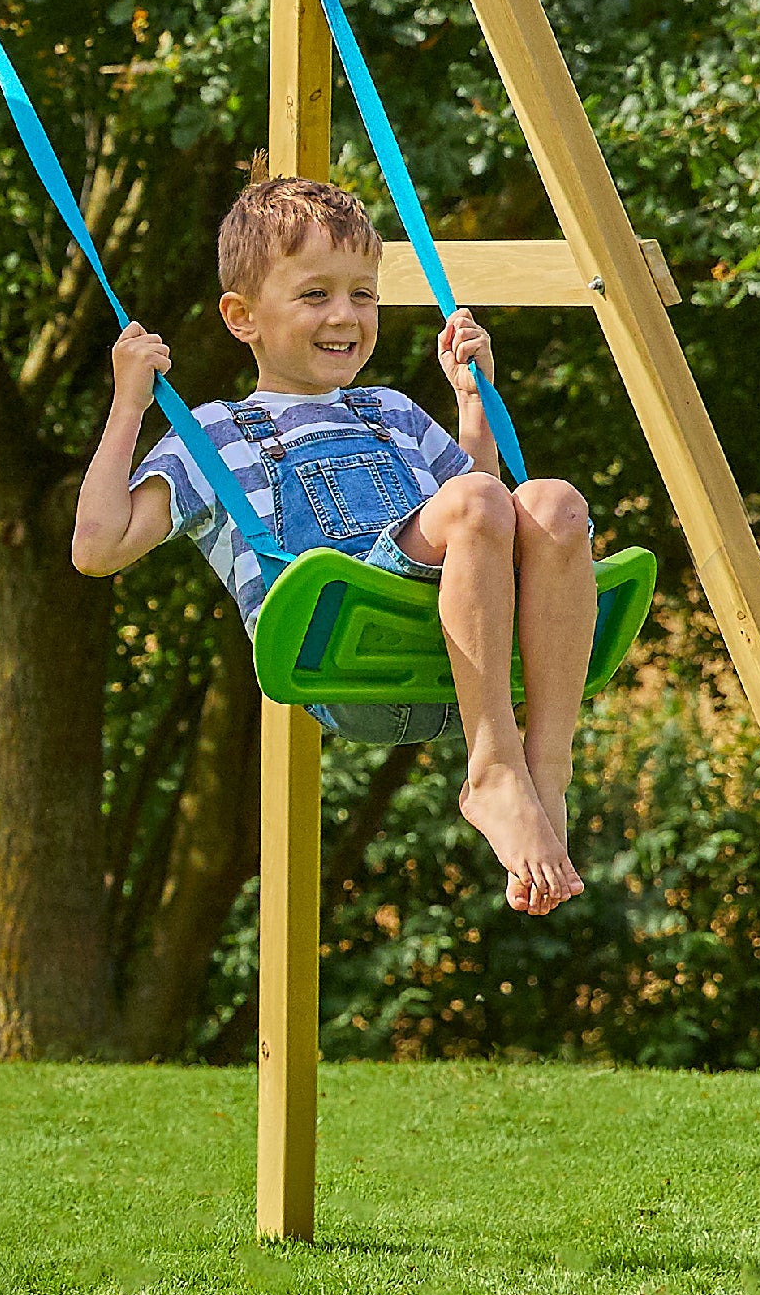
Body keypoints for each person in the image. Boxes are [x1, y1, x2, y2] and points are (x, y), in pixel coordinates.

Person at [71, 171, 603, 915]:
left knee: (553, 502)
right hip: (343, 649)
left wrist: (472, 401)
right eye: (315, 295)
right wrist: (130, 402)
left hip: (455, 652)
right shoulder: (215, 434)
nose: (345, 315)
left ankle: (542, 773)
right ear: (241, 316)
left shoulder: (390, 410)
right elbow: (97, 547)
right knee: (486, 500)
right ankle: (492, 769)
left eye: (362, 294)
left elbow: (487, 522)